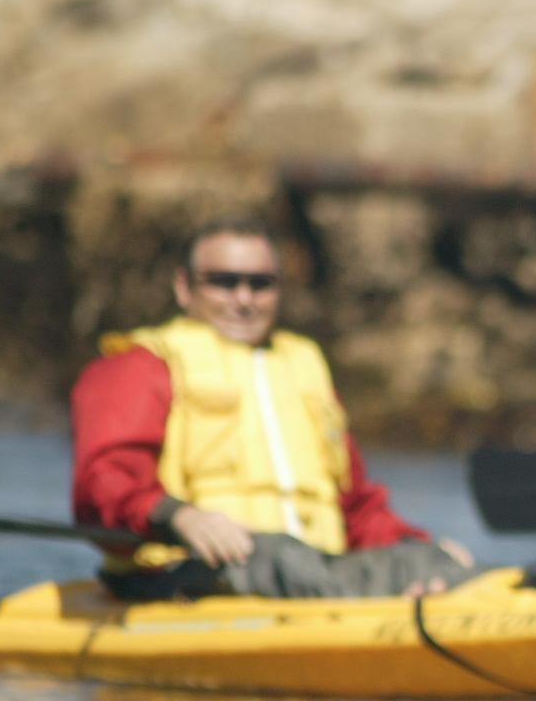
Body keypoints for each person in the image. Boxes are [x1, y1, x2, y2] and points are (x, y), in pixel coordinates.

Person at [71, 218, 471, 599]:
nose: (243, 299)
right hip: (191, 570)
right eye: (223, 282)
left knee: (432, 562)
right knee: (286, 558)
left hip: (315, 570)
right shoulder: (140, 367)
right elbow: (103, 483)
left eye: (260, 284)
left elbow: (356, 505)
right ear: (184, 287)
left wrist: (415, 551)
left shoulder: (303, 365)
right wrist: (178, 517)